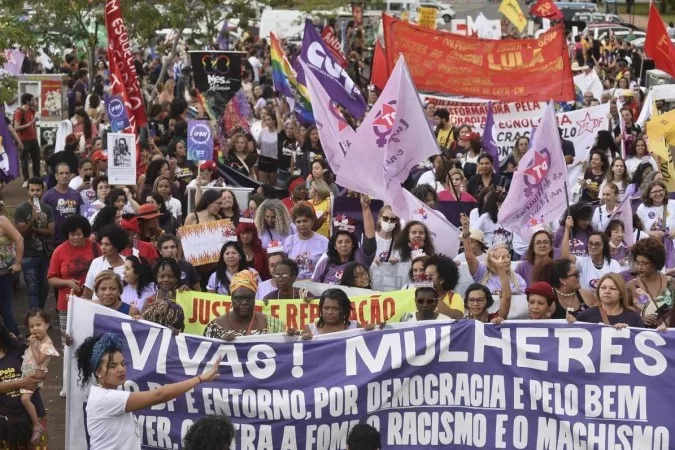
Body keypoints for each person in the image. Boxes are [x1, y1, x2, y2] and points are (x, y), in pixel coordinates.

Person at [75, 332, 221, 449]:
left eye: (123, 364)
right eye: (113, 366)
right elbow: (160, 394)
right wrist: (200, 379)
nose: (121, 369)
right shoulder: (105, 398)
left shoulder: (107, 393)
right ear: (98, 372)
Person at [0, 317, 48, 449]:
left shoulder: (17, 349)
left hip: (33, 418)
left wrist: (40, 374)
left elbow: (38, 373)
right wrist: (22, 382)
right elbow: (28, 380)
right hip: (6, 424)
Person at [47, 215, 100, 333]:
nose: (75, 238)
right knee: (68, 340)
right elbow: (51, 278)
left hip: (92, 302)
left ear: (85, 233)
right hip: (67, 304)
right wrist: (67, 282)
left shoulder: (95, 247)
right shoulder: (59, 251)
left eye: (79, 234)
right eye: (72, 235)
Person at [204, 270, 284, 339]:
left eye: (249, 298)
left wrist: (291, 338)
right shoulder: (215, 327)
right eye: (238, 298)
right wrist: (220, 344)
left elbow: (283, 352)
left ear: (254, 298)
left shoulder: (272, 325)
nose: (244, 302)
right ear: (231, 298)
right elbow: (206, 354)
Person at [313, 195, 375, 283]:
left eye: (347, 241)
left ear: (353, 244)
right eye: (340, 242)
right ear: (334, 246)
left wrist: (366, 209)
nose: (344, 244)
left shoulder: (360, 259)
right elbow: (315, 283)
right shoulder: (326, 261)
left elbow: (370, 239)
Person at [20, 309, 59, 444]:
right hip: (28, 372)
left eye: (38, 325)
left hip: (34, 376)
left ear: (47, 325)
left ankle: (37, 424)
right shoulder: (37, 340)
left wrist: (33, 345)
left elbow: (39, 360)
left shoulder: (47, 344)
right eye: (31, 326)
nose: (35, 329)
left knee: (25, 399)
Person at [14, 177, 53, 310]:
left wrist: (36, 228)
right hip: (28, 255)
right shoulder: (21, 209)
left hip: (45, 254)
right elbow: (22, 233)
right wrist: (32, 219)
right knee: (32, 287)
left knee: (45, 286)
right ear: (28, 191)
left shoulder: (47, 209)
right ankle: (34, 316)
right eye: (32, 190)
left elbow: (51, 231)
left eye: (38, 190)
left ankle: (39, 313)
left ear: (42, 191)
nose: (35, 193)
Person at [561, 219, 621, 291]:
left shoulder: (614, 264)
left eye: (597, 244)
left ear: (604, 246)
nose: (593, 246)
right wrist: (567, 229)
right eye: (590, 243)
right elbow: (565, 256)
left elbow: (618, 287)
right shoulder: (582, 262)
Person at [626, 238, 673, 328]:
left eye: (645, 263)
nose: (640, 267)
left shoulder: (671, 283)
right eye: (638, 262)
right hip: (643, 337)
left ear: (655, 262)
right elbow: (624, 313)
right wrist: (641, 318)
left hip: (668, 337)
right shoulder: (631, 286)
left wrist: (666, 323)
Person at [570, 273, 643, 327]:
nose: (607, 291)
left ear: (621, 293)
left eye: (612, 288)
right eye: (603, 288)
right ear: (598, 291)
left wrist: (628, 332)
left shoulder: (634, 318)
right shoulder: (585, 316)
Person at [284, 203, 329, 280]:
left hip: (316, 284)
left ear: (312, 221)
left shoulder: (323, 241)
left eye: (305, 221)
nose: (302, 224)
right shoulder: (289, 241)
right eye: (298, 222)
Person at [82, 224, 128, 299]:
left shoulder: (128, 264)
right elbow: (87, 291)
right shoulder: (96, 262)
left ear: (116, 245)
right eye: (101, 244)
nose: (103, 247)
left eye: (107, 244)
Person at [636, 180, 675, 267]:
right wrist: (650, 233)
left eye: (660, 190)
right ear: (649, 194)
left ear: (665, 191)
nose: (658, 194)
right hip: (652, 248)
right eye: (654, 192)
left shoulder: (673, 204)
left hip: (673, 245)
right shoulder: (642, 208)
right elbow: (638, 229)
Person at [43, 162, 83, 244]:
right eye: (61, 173)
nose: (64, 176)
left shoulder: (76, 195)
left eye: (67, 173)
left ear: (70, 175)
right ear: (56, 176)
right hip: (54, 241)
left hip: (73, 239)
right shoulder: (48, 196)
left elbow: (81, 216)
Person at [13, 93, 40, 185]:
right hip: (23, 140)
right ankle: (26, 180)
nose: (35, 101)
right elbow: (16, 127)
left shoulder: (31, 111)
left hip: (33, 140)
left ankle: (37, 179)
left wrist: (36, 136)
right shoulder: (19, 111)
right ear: (27, 101)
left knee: (36, 160)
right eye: (33, 100)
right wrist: (30, 123)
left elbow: (34, 125)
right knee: (24, 161)